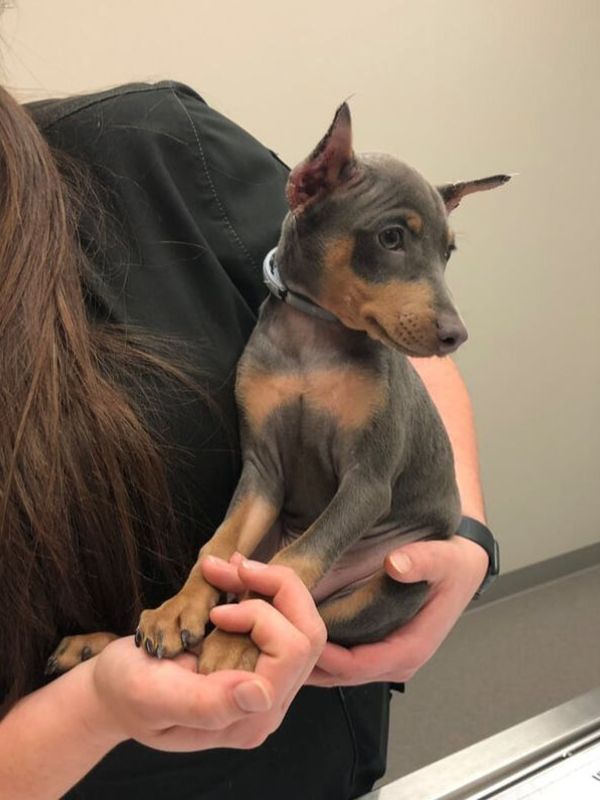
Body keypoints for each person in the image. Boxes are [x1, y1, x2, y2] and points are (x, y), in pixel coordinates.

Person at [0, 80, 491, 799]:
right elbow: (262, 476)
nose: (447, 316)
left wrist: (468, 538)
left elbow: (414, 370)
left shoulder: (161, 145)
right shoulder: (270, 350)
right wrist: (97, 705)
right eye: (392, 242)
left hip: (315, 735)